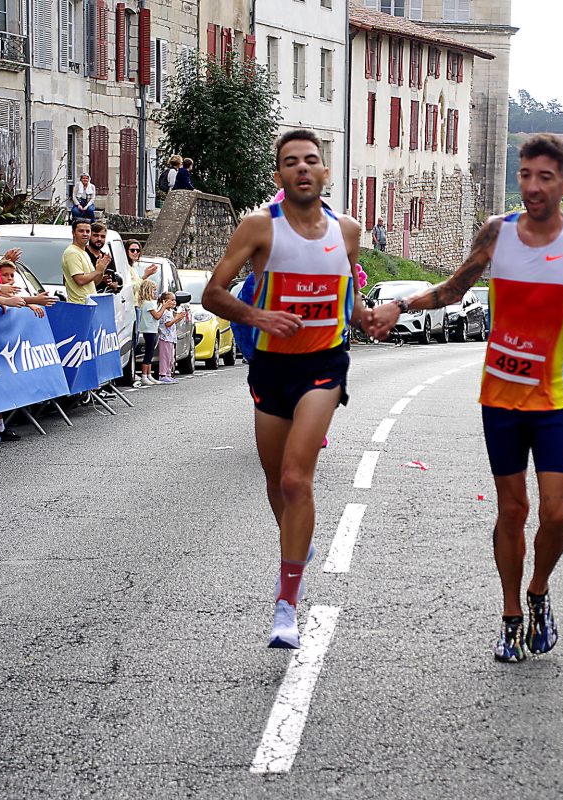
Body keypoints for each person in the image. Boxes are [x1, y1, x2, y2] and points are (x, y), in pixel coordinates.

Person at [368, 133, 563, 664]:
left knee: (556, 515)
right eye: (525, 174)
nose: (532, 186)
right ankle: (510, 616)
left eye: (545, 177)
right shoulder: (497, 232)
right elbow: (454, 289)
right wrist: (400, 306)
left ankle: (538, 590)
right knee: (512, 509)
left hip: (555, 399)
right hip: (500, 398)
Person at [200, 129, 370, 650]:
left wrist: (369, 317)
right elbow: (212, 294)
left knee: (297, 478)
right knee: (276, 483)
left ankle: (286, 605)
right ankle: (296, 541)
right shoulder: (259, 227)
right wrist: (259, 317)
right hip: (272, 367)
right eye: (291, 161)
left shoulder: (346, 231)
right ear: (279, 176)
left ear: (325, 173)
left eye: (311, 160)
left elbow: (347, 299)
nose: (302, 167)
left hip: (323, 365)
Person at [62, 220, 109, 305]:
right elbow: (80, 280)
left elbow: (94, 282)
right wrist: (97, 271)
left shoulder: (83, 252)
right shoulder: (72, 252)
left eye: (88, 231)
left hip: (89, 303)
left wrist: (101, 270)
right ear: (73, 233)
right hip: (79, 305)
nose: (85, 234)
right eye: (81, 231)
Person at [155, 291, 186, 384]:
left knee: (170, 357)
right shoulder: (164, 312)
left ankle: (168, 374)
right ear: (164, 301)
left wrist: (178, 318)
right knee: (165, 357)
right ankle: (163, 375)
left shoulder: (170, 311)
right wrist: (176, 318)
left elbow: (171, 323)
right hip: (165, 338)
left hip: (170, 338)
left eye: (174, 300)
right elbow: (167, 324)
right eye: (171, 300)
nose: (174, 302)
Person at [137, 279, 161, 385]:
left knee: (150, 352)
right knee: (148, 352)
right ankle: (144, 375)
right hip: (149, 329)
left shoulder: (147, 303)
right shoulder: (149, 303)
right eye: (154, 290)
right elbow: (157, 316)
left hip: (151, 329)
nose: (155, 292)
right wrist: (164, 307)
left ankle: (149, 374)